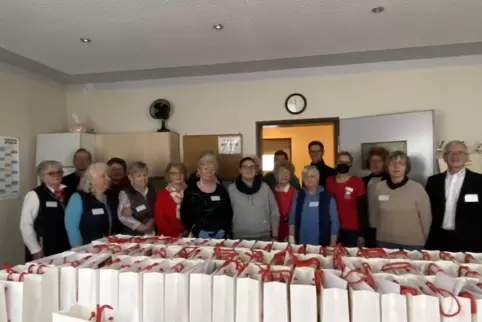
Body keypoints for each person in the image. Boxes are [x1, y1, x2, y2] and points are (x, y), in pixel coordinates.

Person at [426, 141, 482, 252]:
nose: (455, 156)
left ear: (467, 157)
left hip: (471, 242)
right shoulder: (433, 181)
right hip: (438, 240)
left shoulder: (479, 181)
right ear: (444, 157)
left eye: (460, 152)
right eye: (450, 152)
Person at [374, 151, 431, 250]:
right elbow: (376, 214)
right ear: (387, 167)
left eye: (401, 164)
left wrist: (426, 240)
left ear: (406, 168)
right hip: (384, 241)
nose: (396, 167)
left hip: (412, 244)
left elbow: (426, 218)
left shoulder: (417, 188)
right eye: (392, 164)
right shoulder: (380, 187)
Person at [20, 161, 71, 261]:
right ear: (43, 176)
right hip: (44, 246)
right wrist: (35, 249)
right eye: (52, 173)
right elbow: (25, 224)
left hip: (65, 244)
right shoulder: (35, 195)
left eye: (60, 172)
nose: (57, 175)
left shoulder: (68, 191)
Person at [65, 163, 120, 246]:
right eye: (103, 176)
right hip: (88, 249)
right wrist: (78, 249)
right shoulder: (78, 198)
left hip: (111, 247)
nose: (108, 179)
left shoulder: (112, 197)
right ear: (92, 179)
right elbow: (72, 227)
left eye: (108, 176)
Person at [228, 157, 280, 241]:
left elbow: (274, 211)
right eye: (245, 167)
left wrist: (275, 234)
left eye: (252, 167)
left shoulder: (265, 187)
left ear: (256, 169)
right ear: (240, 170)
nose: (249, 169)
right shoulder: (231, 189)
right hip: (239, 236)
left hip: (264, 235)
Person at [181, 154, 232, 238]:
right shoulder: (191, 190)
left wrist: (223, 230)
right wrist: (196, 230)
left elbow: (228, 213)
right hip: (197, 235)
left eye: (212, 169)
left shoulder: (222, 190)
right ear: (199, 170)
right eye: (206, 169)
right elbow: (185, 215)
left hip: (220, 234)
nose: (209, 171)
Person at [288, 166, 339, 246]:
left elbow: (334, 222)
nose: (309, 179)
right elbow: (292, 218)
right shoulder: (298, 195)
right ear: (303, 179)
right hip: (301, 243)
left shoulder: (327, 197)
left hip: (322, 243)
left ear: (318, 178)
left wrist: (332, 244)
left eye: (312, 176)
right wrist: (291, 240)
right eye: (306, 176)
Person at [326, 151, 367, 247]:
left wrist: (362, 234)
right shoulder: (329, 181)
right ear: (336, 162)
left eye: (346, 162)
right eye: (340, 161)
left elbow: (362, 209)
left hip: (351, 230)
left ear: (351, 165)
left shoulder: (357, 181)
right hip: (332, 228)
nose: (343, 164)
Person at [118, 162, 156, 235]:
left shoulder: (152, 189)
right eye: (139, 176)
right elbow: (123, 216)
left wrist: (152, 221)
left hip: (152, 231)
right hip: (134, 235)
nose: (143, 178)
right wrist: (142, 227)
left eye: (145, 175)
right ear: (130, 177)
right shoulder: (126, 192)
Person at [362, 147, 389, 248]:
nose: (374, 164)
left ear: (385, 163)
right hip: (368, 228)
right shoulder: (363, 181)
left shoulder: (391, 181)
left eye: (378, 161)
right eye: (372, 161)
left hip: (386, 228)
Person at [154, 162, 187, 237]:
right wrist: (175, 234)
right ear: (168, 175)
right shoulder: (162, 194)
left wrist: (185, 232)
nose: (178, 176)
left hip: (188, 235)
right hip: (167, 236)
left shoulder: (189, 191)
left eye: (181, 172)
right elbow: (159, 220)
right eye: (174, 173)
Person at [272, 160, 298, 242]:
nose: (285, 175)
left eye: (287, 172)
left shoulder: (295, 193)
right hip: (274, 230)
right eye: (281, 172)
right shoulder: (271, 192)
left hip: (290, 231)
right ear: (276, 174)